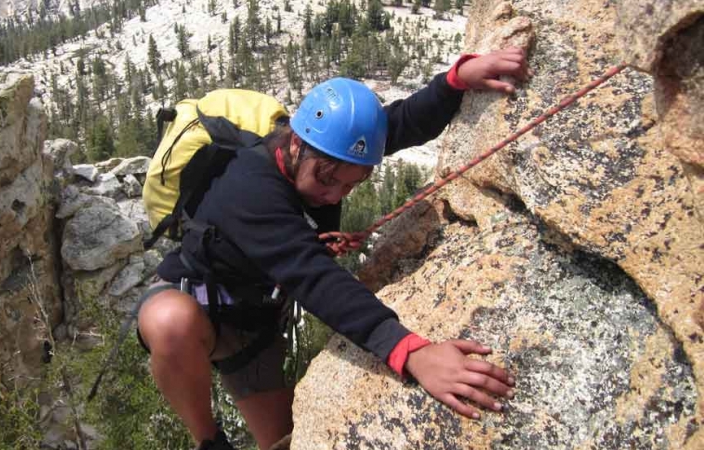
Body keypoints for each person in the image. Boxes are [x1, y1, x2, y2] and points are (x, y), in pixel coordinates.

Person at [137, 48, 530, 450]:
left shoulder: (328, 150)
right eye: (327, 181)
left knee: (286, 442)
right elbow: (313, 277)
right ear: (295, 146)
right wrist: (410, 351)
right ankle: (208, 441)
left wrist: (456, 80)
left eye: (350, 185)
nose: (333, 195)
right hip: (199, 303)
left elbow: (401, 122)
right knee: (170, 322)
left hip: (255, 321)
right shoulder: (247, 186)